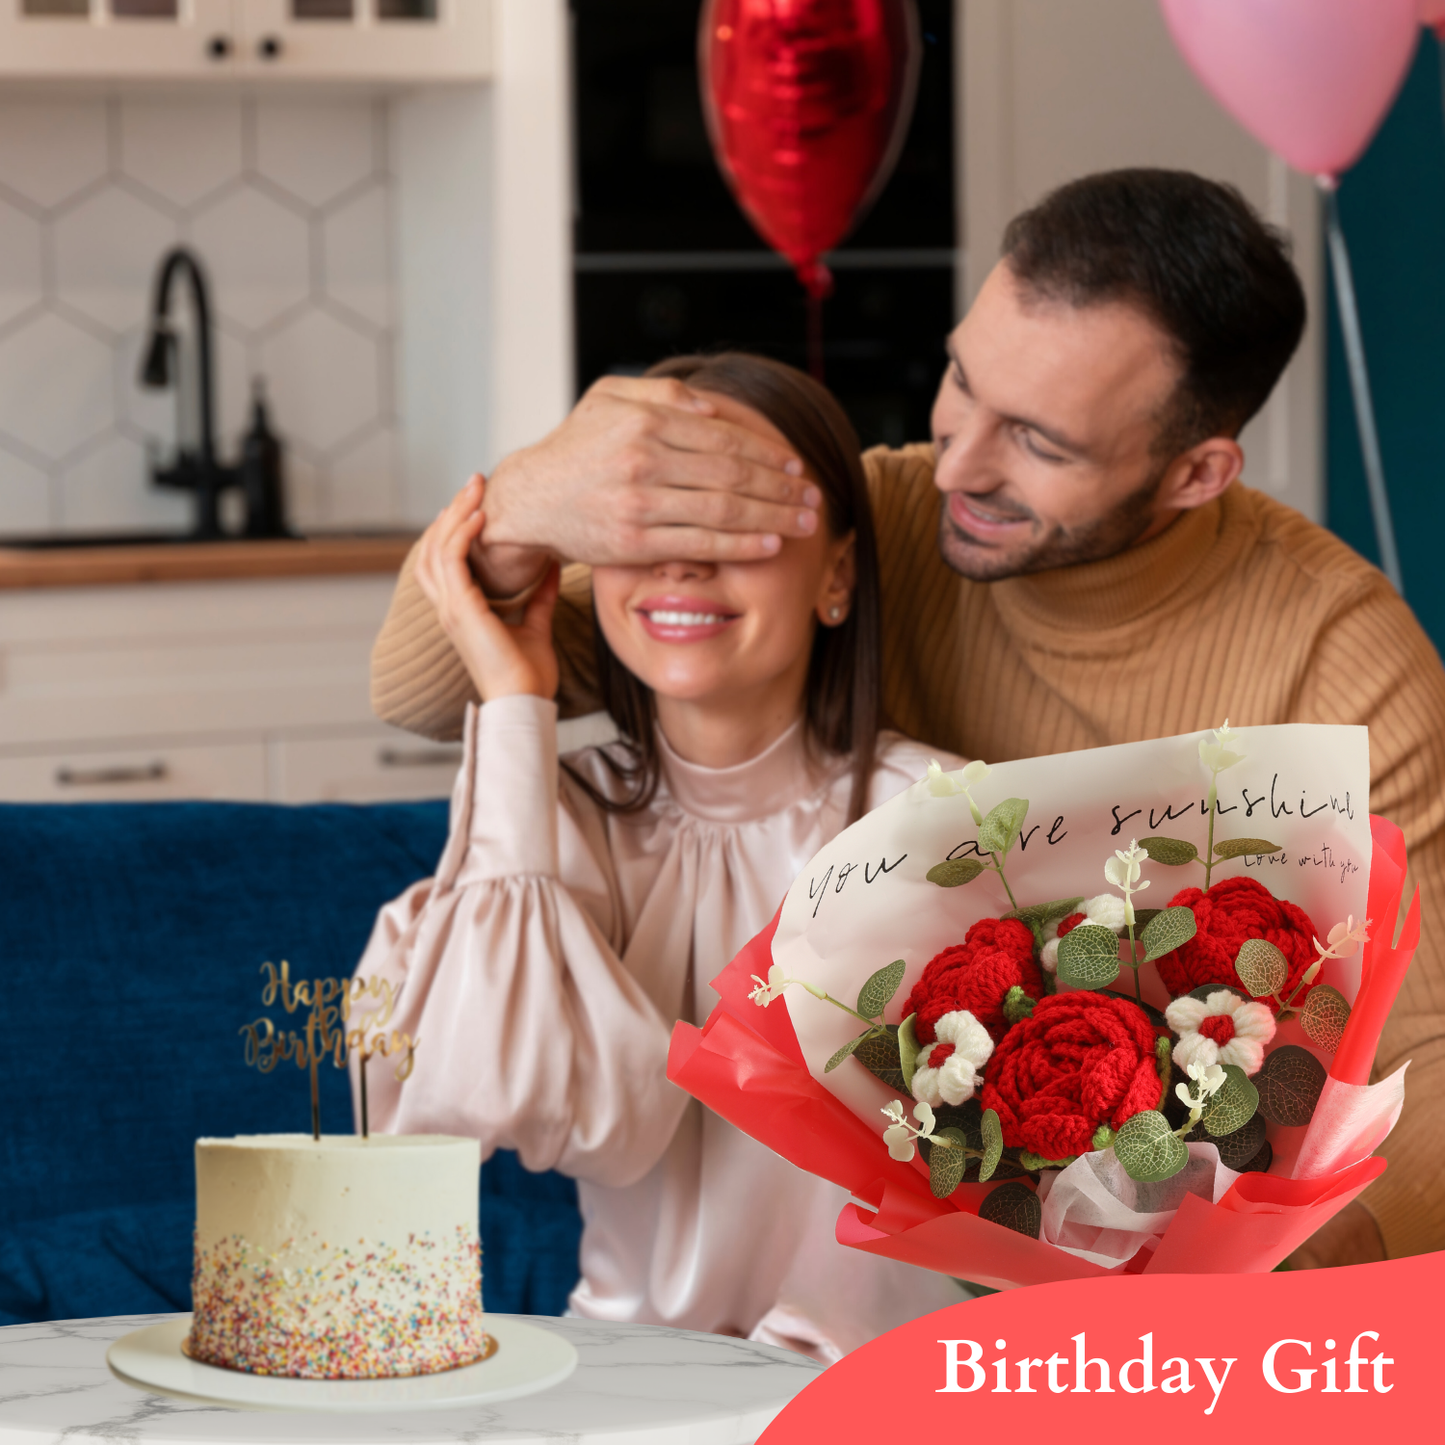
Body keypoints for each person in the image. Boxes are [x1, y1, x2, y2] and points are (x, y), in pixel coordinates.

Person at [370, 169, 1445, 1268]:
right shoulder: (877, 520)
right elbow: (422, 688)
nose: (958, 461)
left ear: (1192, 473)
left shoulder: (1339, 660)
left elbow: (1420, 1057)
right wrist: (521, 505)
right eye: (960, 382)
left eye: (1039, 442)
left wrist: (1265, 1276)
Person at [353, 353, 968, 1361]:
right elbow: (490, 1089)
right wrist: (512, 705)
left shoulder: (944, 822)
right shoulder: (558, 810)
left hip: (871, 1385)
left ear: (837, 575)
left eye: (736, 521)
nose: (683, 562)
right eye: (649, 525)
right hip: (627, 1380)